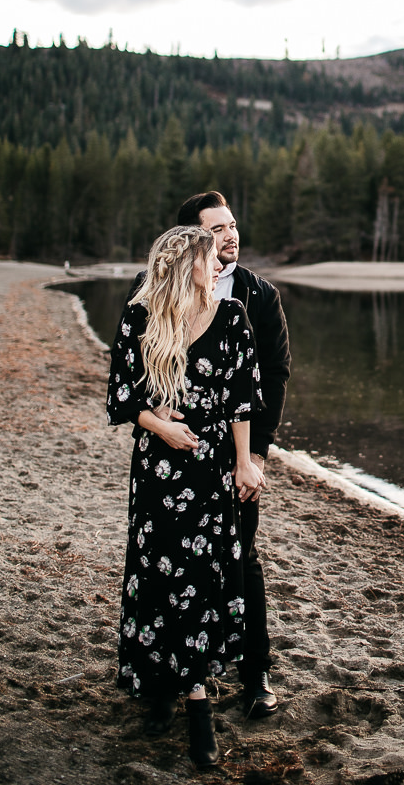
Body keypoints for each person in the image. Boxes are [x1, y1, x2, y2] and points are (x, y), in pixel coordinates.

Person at [107, 225, 264, 768]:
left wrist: (244, 462)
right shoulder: (141, 316)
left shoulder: (233, 317)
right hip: (158, 468)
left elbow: (242, 399)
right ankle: (160, 688)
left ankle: (198, 702)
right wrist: (160, 426)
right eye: (210, 255)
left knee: (199, 579)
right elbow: (121, 394)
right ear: (185, 265)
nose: (220, 263)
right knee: (156, 575)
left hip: (211, 470)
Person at [176, 191, 291, 719]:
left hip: (237, 452)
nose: (231, 235)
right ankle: (181, 672)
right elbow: (135, 362)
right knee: (177, 560)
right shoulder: (157, 287)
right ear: (191, 238)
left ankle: (255, 673)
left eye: (233, 225)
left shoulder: (260, 296)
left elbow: (274, 377)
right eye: (217, 228)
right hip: (175, 451)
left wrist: (257, 456)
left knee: (242, 557)